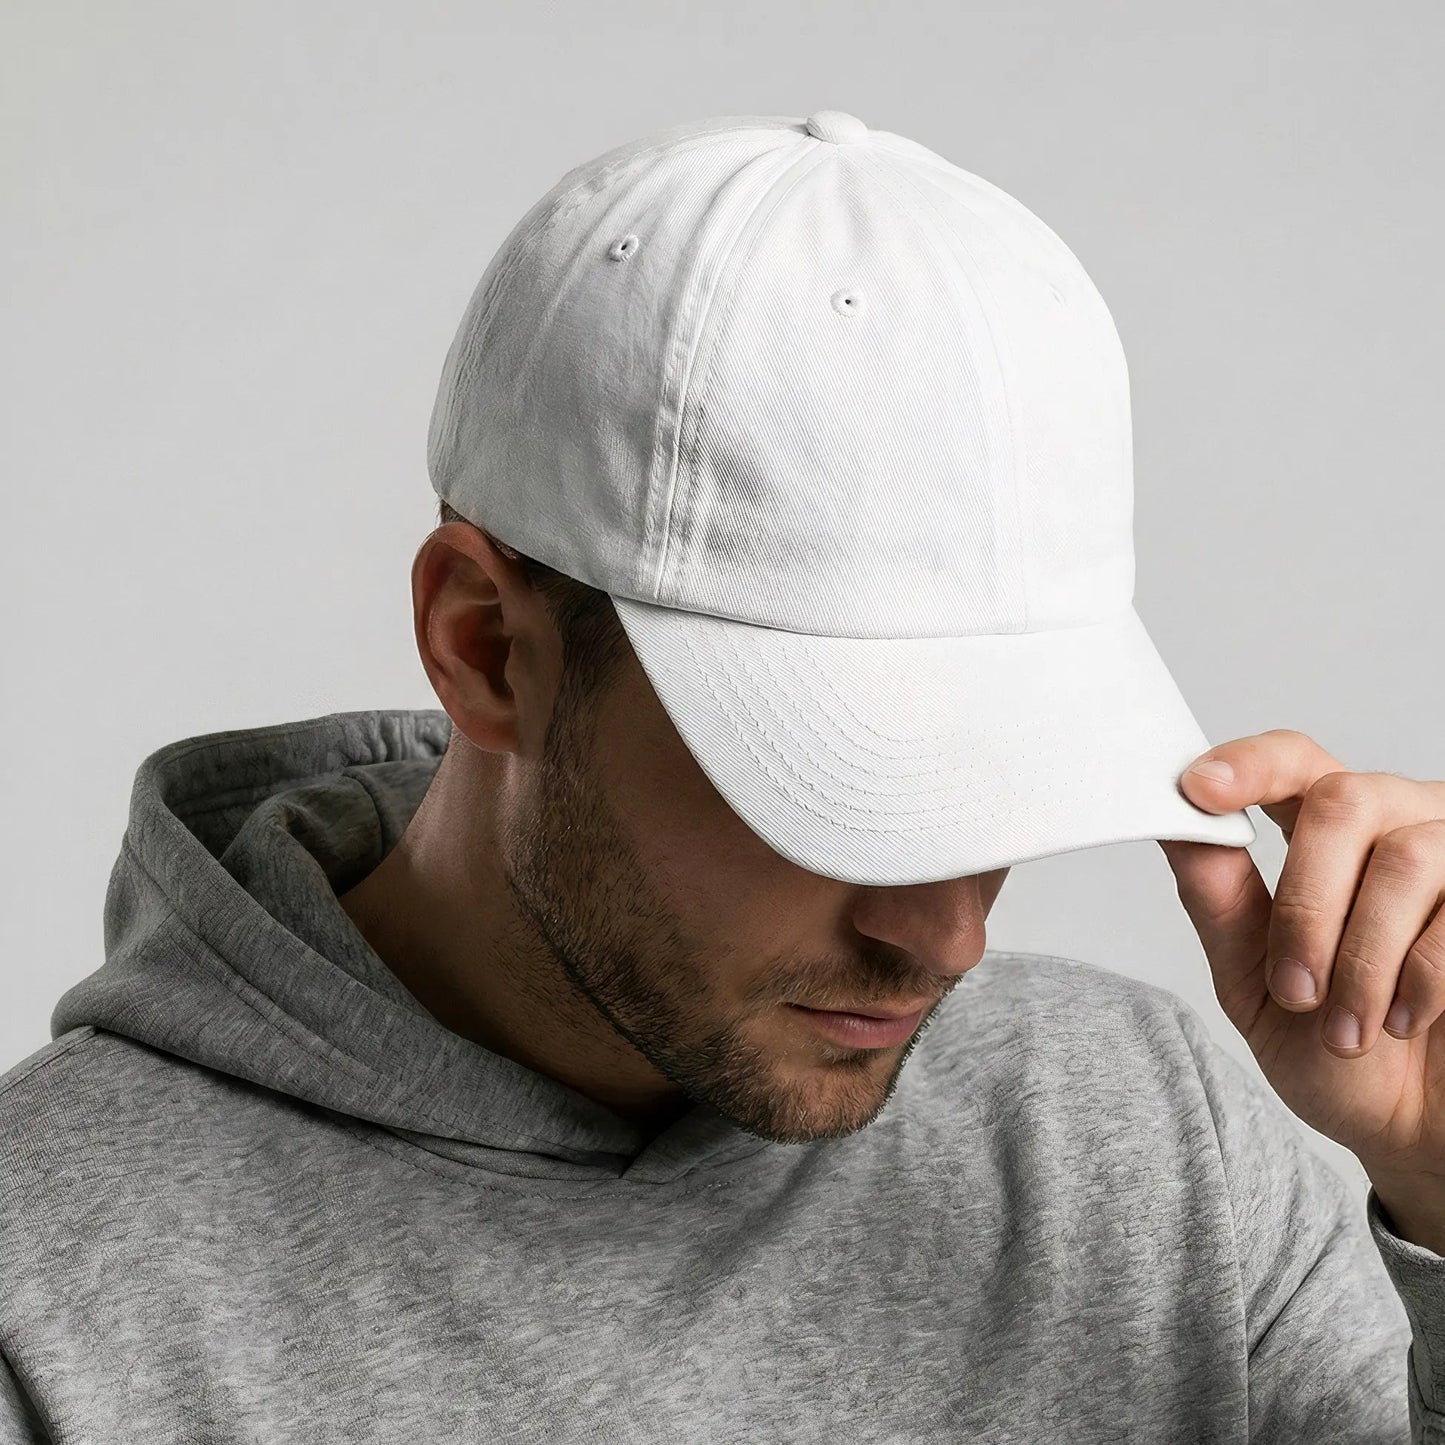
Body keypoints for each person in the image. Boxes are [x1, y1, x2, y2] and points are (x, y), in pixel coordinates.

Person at [0, 109, 1434, 1441]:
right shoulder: (49, 1288)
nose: (948, 938)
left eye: (1004, 781)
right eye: (835, 786)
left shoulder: (1138, 1136)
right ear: (487, 645)